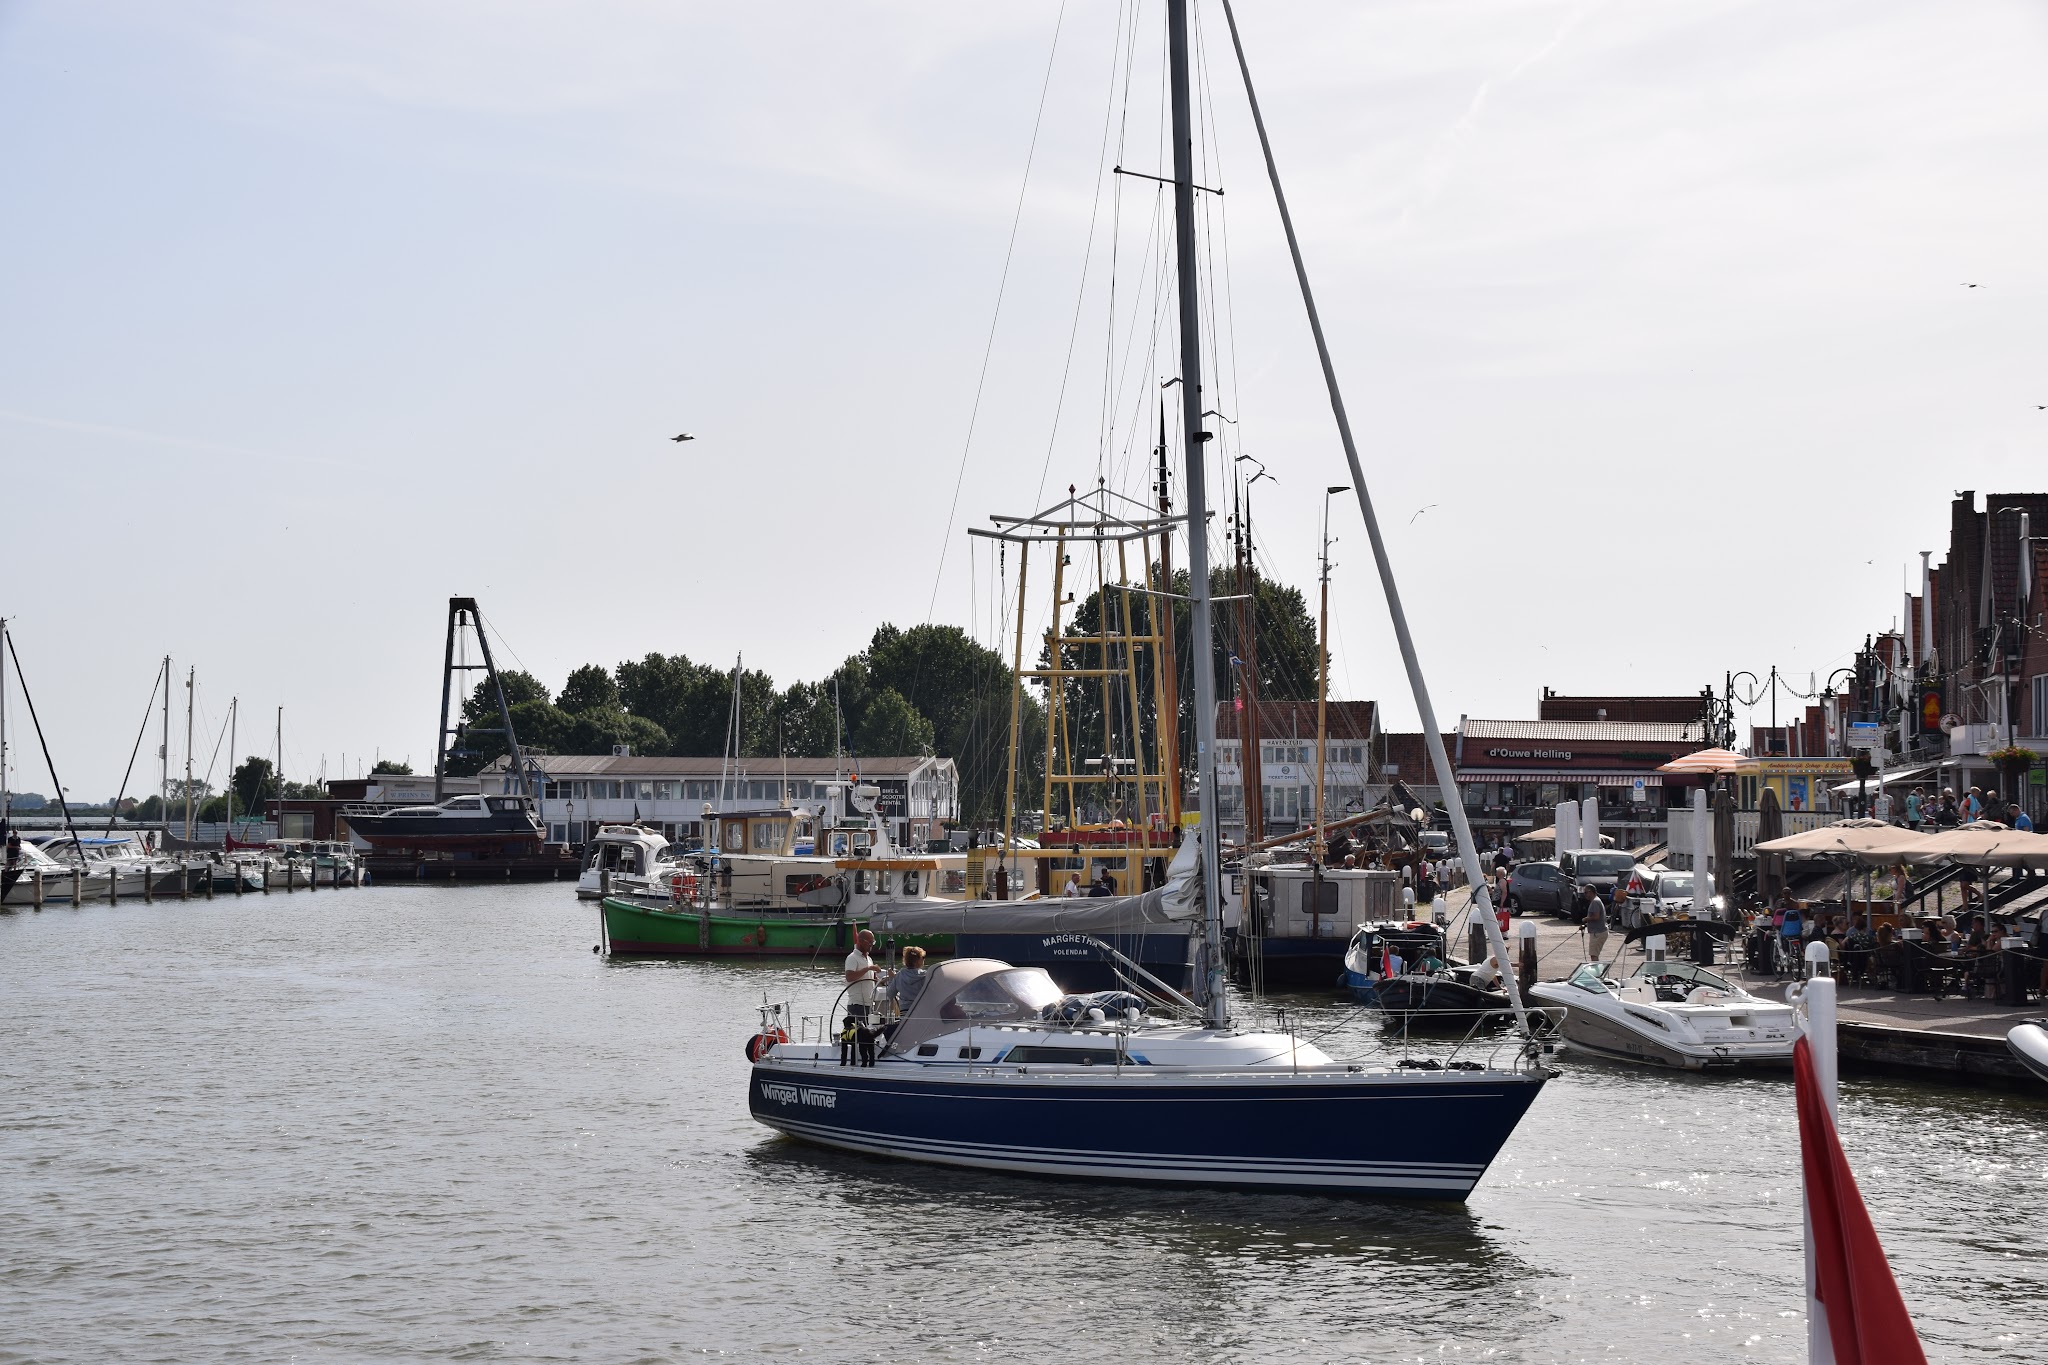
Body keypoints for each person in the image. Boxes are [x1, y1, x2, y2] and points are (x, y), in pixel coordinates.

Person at [843, 929, 881, 1023]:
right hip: (857, 1005)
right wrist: (868, 968)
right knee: (857, 1034)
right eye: (870, 942)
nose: (872, 944)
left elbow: (870, 980)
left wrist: (879, 980)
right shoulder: (852, 958)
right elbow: (849, 977)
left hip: (869, 1004)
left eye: (873, 942)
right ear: (860, 941)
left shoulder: (869, 959)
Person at [889, 946, 929, 1017]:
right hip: (922, 1012)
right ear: (918, 960)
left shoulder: (899, 976)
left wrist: (891, 979)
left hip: (905, 1012)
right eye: (923, 958)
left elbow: (890, 994)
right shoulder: (926, 976)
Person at [1581, 884, 1609, 964]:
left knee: (1594, 955)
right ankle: (1597, 971)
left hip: (1598, 933)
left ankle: (1596, 973)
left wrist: (1586, 919)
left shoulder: (1595, 902)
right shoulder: (1596, 901)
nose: (1585, 895)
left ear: (1591, 892)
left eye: (1586, 892)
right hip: (1598, 931)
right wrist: (1586, 925)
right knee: (1594, 954)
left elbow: (1596, 917)